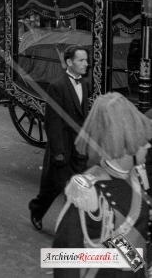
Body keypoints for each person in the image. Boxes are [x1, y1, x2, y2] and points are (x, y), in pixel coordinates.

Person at [53, 92, 152, 278]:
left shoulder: (135, 176)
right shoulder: (88, 193)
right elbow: (64, 258)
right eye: (141, 139)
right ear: (125, 143)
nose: (147, 145)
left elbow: (128, 246)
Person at [29, 45, 90, 231]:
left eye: (86, 60)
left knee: (77, 186)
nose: (86, 64)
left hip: (78, 146)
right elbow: (52, 121)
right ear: (69, 63)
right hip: (62, 145)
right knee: (53, 186)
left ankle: (70, 225)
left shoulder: (85, 85)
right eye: (81, 60)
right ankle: (37, 210)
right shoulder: (57, 86)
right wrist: (58, 152)